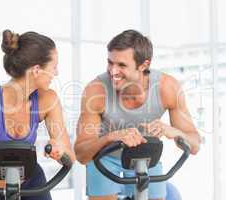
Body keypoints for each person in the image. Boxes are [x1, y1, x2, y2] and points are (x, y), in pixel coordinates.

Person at [74, 30, 201, 200]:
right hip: (105, 157)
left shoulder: (167, 88)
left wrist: (174, 132)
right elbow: (81, 154)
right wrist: (111, 137)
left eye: (122, 65)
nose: (113, 71)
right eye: (110, 63)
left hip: (146, 157)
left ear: (144, 65)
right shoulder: (96, 91)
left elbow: (194, 146)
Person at [0, 30, 75, 200]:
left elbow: (69, 155)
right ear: (37, 70)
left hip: (32, 187)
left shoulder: (48, 99)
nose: (57, 73)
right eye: (54, 67)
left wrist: (60, 151)